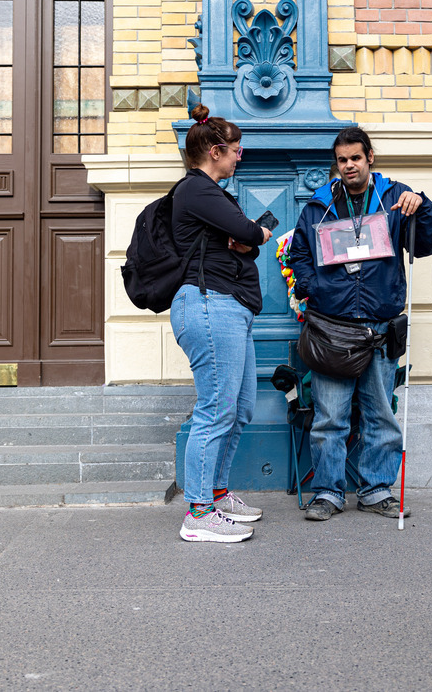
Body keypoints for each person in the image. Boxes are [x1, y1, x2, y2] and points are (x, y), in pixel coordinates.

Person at [289, 126, 432, 521]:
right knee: (330, 419)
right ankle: (328, 493)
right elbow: (298, 254)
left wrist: (422, 207)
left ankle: (376, 490)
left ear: (370, 157)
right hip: (332, 329)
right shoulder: (319, 205)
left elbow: (425, 246)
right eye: (342, 160)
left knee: (381, 415)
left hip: (380, 325)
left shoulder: (395, 198)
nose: (349, 166)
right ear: (336, 165)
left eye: (355, 158)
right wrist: (311, 286)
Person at [172, 104, 272, 543]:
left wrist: (245, 237)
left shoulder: (211, 195)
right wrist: (254, 235)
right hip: (210, 306)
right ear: (215, 151)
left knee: (240, 407)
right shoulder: (195, 190)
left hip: (230, 307)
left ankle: (216, 492)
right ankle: (197, 514)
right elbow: (248, 235)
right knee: (215, 410)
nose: (239, 157)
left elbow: (241, 240)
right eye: (235, 151)